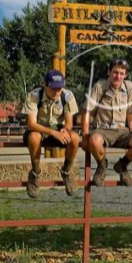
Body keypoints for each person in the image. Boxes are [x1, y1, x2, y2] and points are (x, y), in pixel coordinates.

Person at [80, 59, 132, 187]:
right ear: (109, 72)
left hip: (122, 131)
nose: (118, 76)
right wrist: (85, 135)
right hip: (102, 129)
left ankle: (122, 165)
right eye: (115, 72)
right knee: (94, 140)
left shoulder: (129, 87)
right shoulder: (100, 86)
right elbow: (86, 111)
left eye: (122, 73)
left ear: (125, 75)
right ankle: (101, 166)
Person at [21, 69, 80, 198]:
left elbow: (69, 122)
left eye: (59, 89)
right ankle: (35, 173)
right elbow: (31, 123)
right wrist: (53, 132)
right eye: (53, 88)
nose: (56, 92)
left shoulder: (67, 96)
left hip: (57, 128)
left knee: (75, 138)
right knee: (34, 137)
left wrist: (65, 129)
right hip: (39, 128)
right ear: (45, 85)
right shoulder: (34, 95)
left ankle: (66, 171)